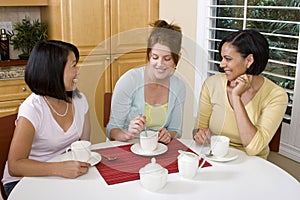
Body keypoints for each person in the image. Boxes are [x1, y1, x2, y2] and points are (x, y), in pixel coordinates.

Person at [2, 40, 91, 197]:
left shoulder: (80, 100)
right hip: (23, 180)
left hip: (60, 177)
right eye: (73, 65)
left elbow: (83, 146)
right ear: (54, 71)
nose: (78, 71)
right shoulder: (33, 109)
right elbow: (15, 166)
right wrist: (59, 168)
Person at [193, 29, 288, 159]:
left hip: (252, 164)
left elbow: (254, 148)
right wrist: (199, 134)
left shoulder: (276, 95)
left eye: (228, 59)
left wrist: (236, 97)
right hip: (215, 158)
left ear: (249, 60)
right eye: (222, 58)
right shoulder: (212, 84)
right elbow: (198, 129)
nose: (221, 64)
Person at [106, 19, 186, 144]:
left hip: (157, 151)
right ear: (149, 55)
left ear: (177, 58)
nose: (160, 64)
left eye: (167, 58)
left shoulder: (179, 86)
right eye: (155, 57)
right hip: (125, 150)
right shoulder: (129, 80)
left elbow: (176, 130)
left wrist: (168, 135)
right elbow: (111, 130)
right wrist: (127, 133)